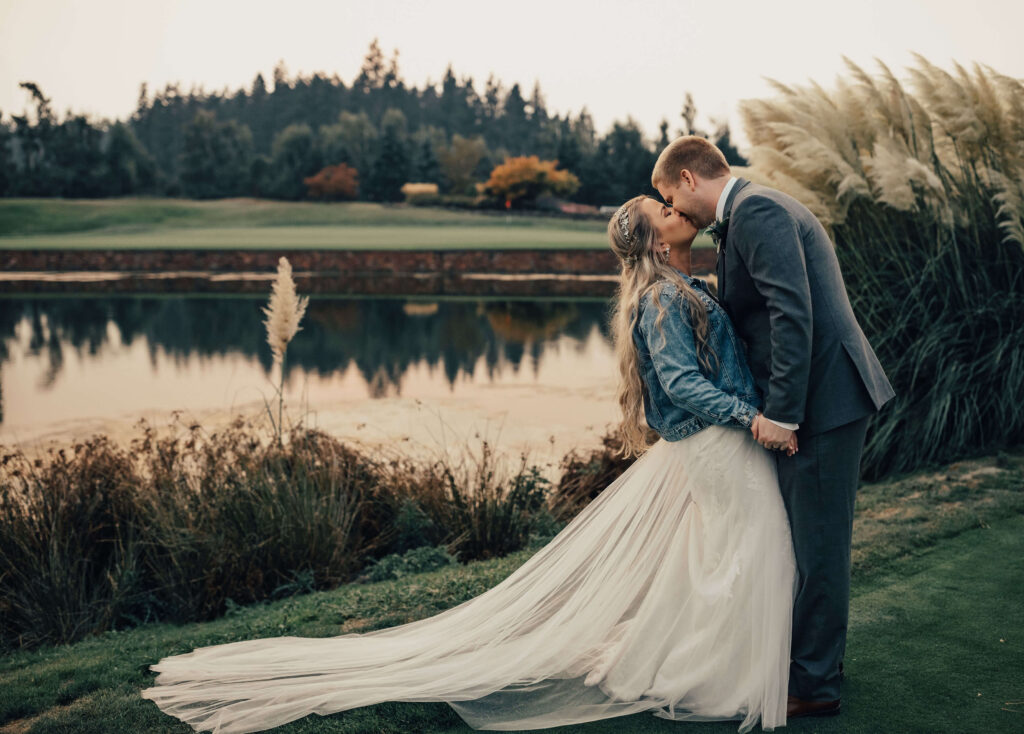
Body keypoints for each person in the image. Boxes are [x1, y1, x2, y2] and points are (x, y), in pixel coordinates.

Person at [139, 198, 797, 734]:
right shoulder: (660, 300)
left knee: (725, 556)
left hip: (722, 442)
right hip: (720, 442)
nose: (673, 206)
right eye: (662, 208)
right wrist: (752, 417)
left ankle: (709, 666)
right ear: (656, 243)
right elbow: (680, 385)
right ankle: (711, 676)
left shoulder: (684, 285)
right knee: (741, 552)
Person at [651, 135, 896, 718]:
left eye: (670, 197)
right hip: (821, 399)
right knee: (809, 540)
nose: (676, 213)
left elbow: (793, 313)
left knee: (818, 548)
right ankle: (813, 665)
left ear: (688, 179)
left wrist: (782, 414)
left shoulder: (757, 212)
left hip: (823, 402)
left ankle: (813, 686)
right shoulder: (752, 213)